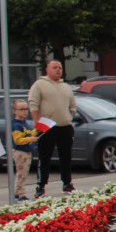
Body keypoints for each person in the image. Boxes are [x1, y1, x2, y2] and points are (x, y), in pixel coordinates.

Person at [28, 59, 76, 197]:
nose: (58, 70)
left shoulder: (66, 87)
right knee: (45, 157)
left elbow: (72, 106)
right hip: (47, 126)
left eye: (59, 67)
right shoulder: (40, 85)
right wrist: (38, 124)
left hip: (65, 126)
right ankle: (41, 185)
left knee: (66, 157)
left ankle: (67, 184)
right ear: (47, 70)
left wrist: (68, 116)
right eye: (54, 67)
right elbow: (33, 105)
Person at [10, 100, 38, 202]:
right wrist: (30, 139)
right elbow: (18, 140)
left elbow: (28, 133)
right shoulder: (16, 125)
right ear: (14, 111)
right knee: (21, 174)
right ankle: (21, 195)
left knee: (23, 173)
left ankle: (18, 193)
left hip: (26, 151)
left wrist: (37, 131)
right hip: (20, 151)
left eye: (26, 109)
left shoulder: (24, 123)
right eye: (21, 109)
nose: (25, 112)